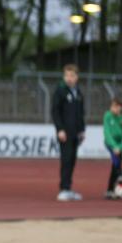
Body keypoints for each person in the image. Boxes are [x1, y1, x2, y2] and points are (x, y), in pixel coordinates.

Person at [51, 64, 86, 201]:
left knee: (72, 160)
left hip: (76, 132)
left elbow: (81, 114)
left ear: (77, 77)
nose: (69, 78)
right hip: (64, 132)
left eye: (72, 75)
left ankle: (69, 188)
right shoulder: (60, 91)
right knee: (66, 160)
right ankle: (63, 189)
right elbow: (55, 111)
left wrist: (82, 130)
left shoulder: (78, 93)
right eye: (66, 75)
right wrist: (60, 129)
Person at [102, 98, 122, 200]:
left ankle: (109, 190)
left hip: (120, 145)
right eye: (112, 106)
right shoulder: (107, 116)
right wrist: (114, 146)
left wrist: (120, 147)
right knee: (116, 160)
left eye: (116, 106)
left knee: (114, 167)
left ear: (121, 107)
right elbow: (107, 133)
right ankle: (121, 177)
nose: (113, 109)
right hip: (110, 144)